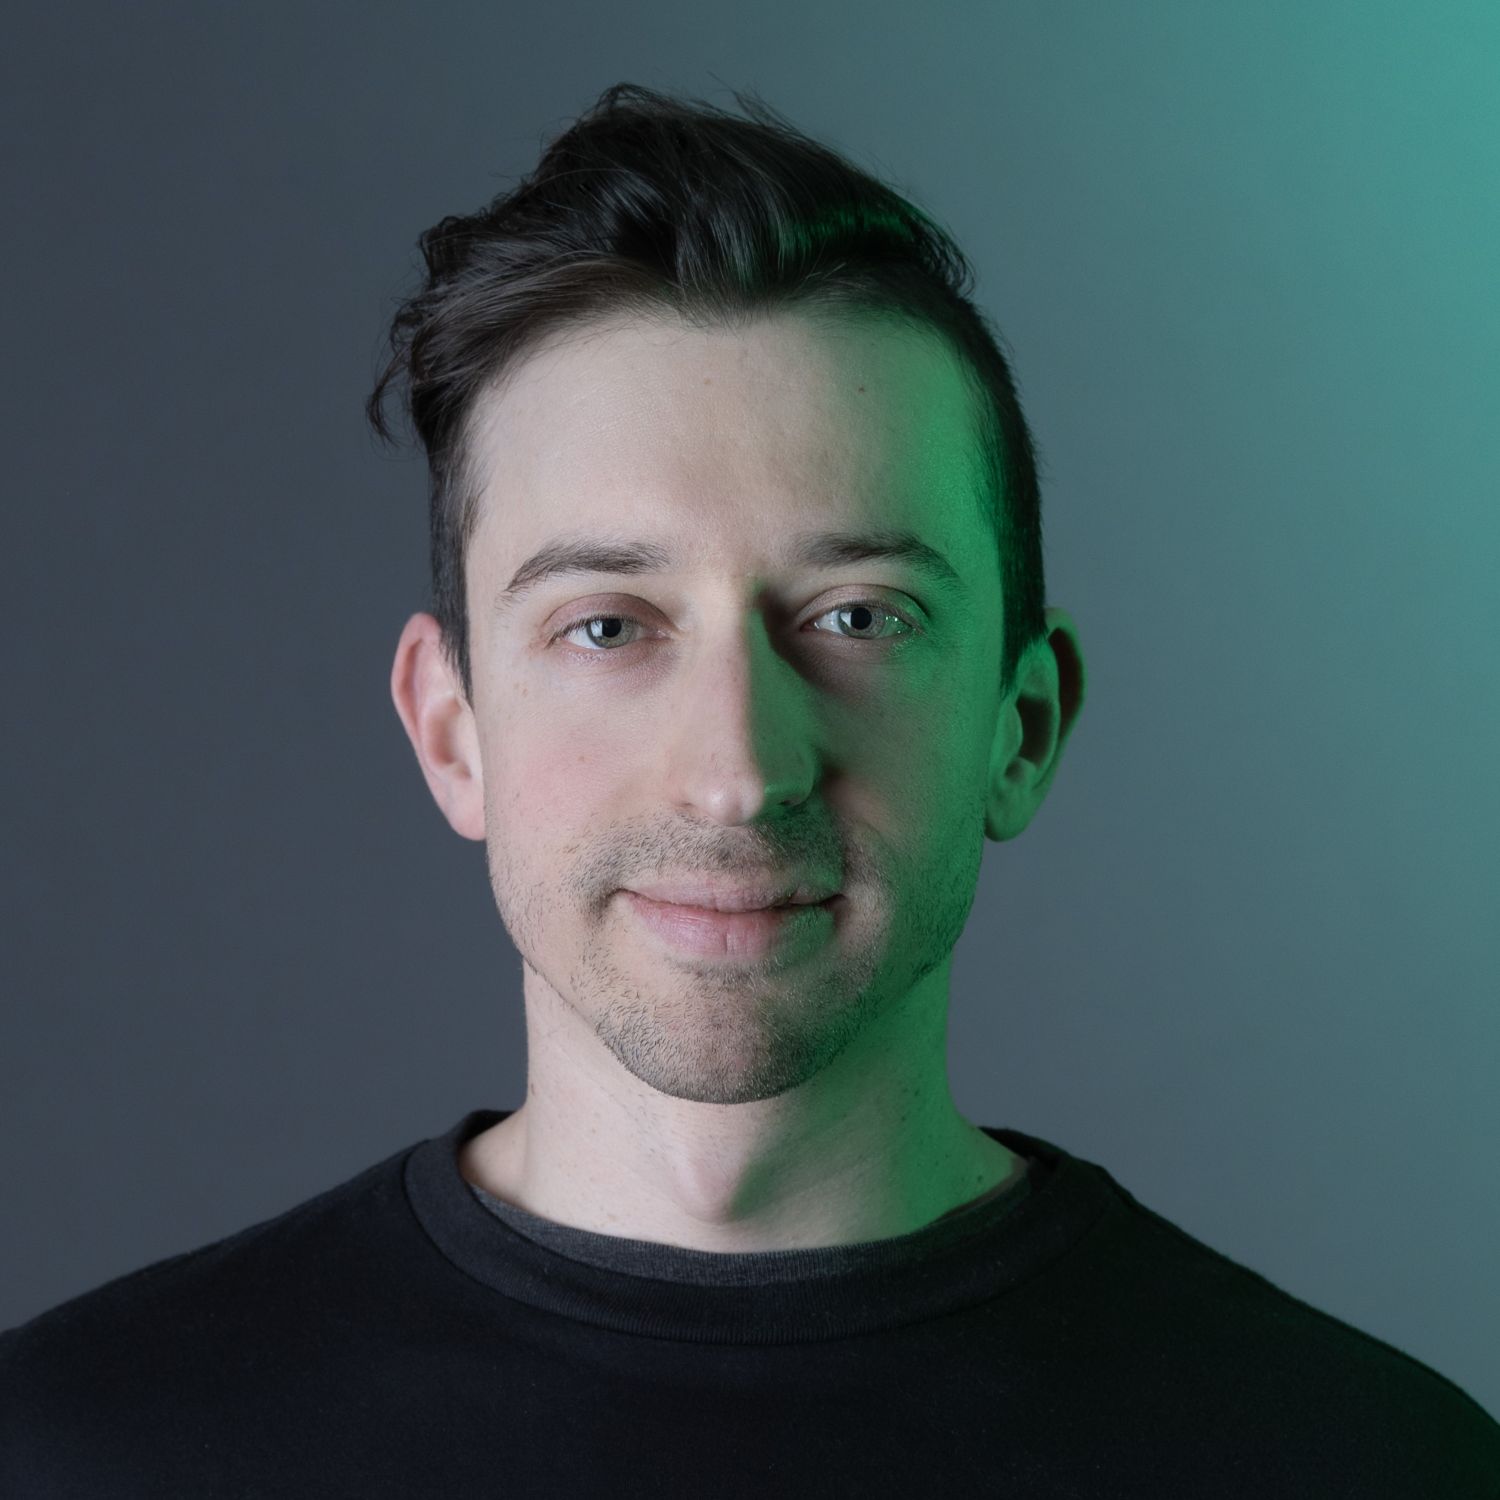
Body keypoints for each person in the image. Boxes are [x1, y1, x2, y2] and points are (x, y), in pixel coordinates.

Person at [3, 81, 1496, 1496]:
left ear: (1022, 726)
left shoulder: (1372, 1466)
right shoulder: (71, 1453)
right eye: (607, 627)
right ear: (452, 733)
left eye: (857, 616)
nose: (737, 772)